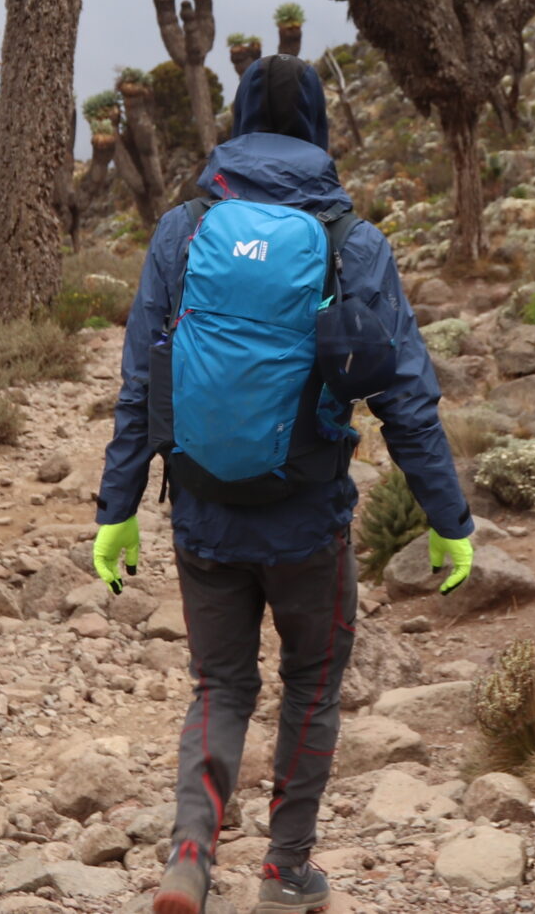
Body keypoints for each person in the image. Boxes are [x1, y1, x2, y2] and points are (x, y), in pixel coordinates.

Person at [92, 54, 474, 914]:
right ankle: (285, 870)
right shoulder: (353, 242)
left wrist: (115, 512)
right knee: (311, 680)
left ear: (236, 124)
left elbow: (142, 384)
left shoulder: (183, 230)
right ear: (319, 132)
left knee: (220, 684)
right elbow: (404, 395)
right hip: (306, 521)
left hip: (201, 512)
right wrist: (449, 519)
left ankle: (190, 852)